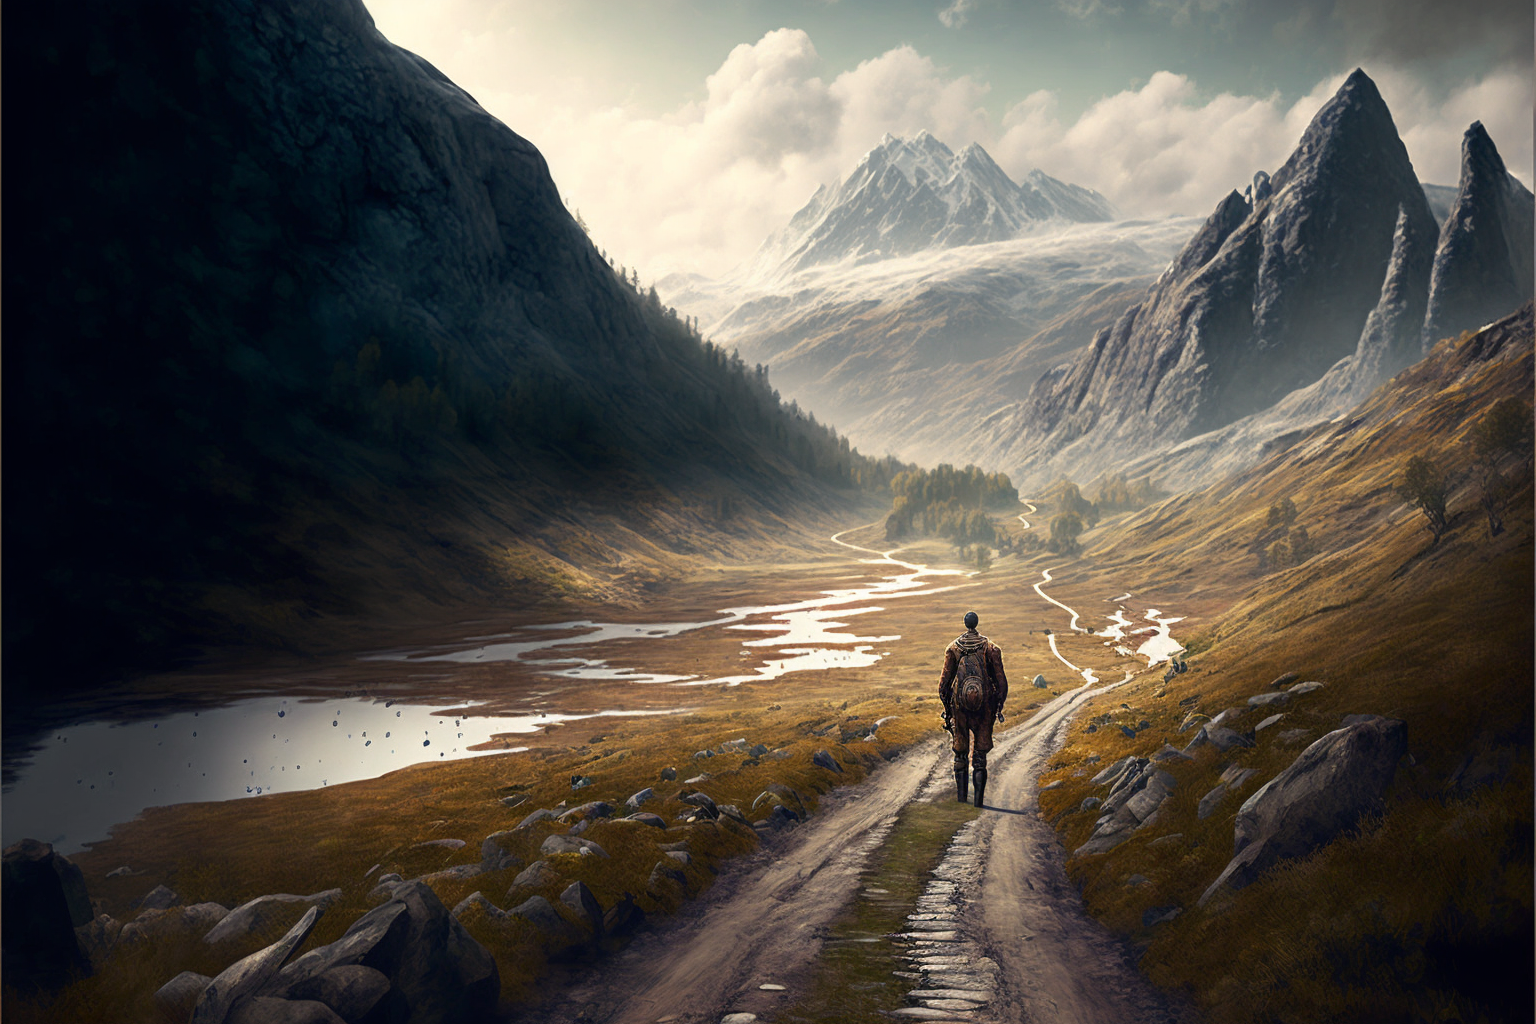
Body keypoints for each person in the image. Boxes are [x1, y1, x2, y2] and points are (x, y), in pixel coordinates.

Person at [938, 610, 1010, 807]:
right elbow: (1002, 683)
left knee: (960, 752)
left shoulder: (953, 648)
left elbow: (943, 686)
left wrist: (948, 708)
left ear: (965, 623)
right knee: (980, 756)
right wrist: (998, 705)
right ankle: (978, 801)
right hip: (985, 708)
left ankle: (962, 800)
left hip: (959, 708)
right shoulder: (991, 648)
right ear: (976, 623)